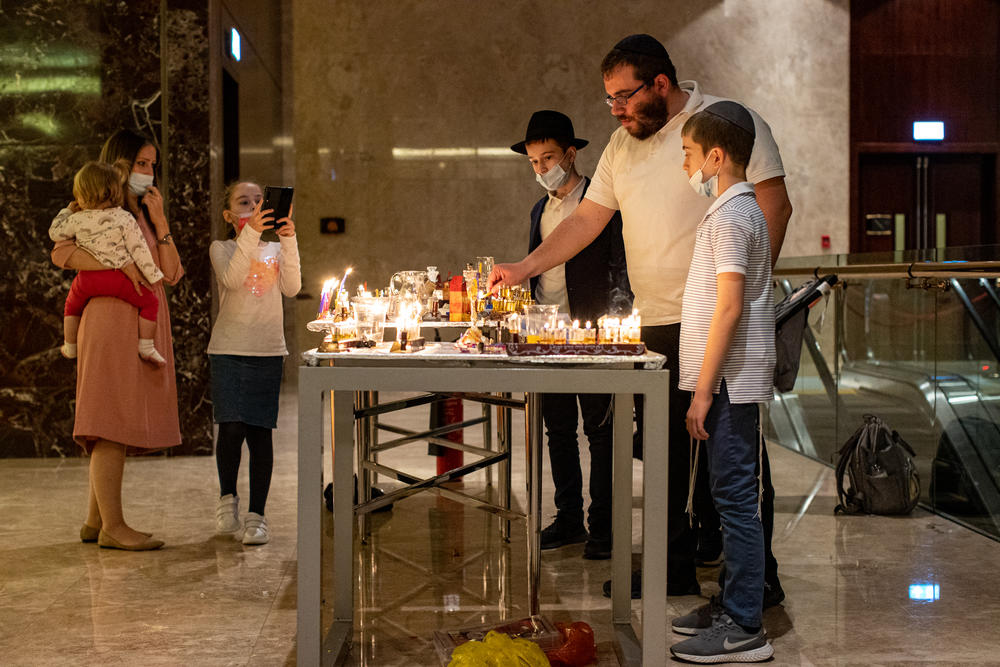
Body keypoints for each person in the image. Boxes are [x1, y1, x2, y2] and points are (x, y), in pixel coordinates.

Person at [488, 34, 791, 598]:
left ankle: (757, 578)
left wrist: (748, 300)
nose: (616, 110)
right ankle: (670, 566)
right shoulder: (620, 145)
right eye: (608, 100)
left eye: (624, 97)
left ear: (660, 83)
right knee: (666, 451)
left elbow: (773, 204)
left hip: (715, 316)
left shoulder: (724, 122)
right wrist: (523, 265)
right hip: (654, 321)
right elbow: (585, 221)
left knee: (734, 451)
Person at [669, 101, 775, 663]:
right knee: (726, 494)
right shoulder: (737, 210)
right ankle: (733, 601)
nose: (686, 166)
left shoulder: (733, 215)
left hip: (730, 381)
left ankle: (745, 626)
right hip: (727, 379)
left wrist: (705, 389)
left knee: (735, 500)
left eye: (688, 154)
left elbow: (729, 307)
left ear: (715, 156)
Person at [51, 128, 184, 551]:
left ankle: (95, 520)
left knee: (116, 417)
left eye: (153, 165)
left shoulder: (141, 214)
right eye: (142, 163)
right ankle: (114, 526)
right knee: (108, 420)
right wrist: (118, 268)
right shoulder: (90, 209)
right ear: (121, 164)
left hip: (139, 318)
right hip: (109, 319)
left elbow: (172, 273)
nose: (149, 172)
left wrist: (160, 221)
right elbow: (61, 253)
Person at [512, 110, 632, 560]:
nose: (542, 169)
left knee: (600, 431)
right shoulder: (539, 209)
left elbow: (619, 266)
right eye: (534, 163)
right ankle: (568, 519)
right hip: (547, 331)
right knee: (556, 430)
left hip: (593, 329)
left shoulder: (601, 204)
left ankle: (603, 529)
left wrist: (614, 324)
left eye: (548, 159)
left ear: (571, 154)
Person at [208, 181, 300, 545]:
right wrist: (251, 234)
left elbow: (292, 287)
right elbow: (231, 279)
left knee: (261, 434)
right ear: (230, 215)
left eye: (259, 201)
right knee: (231, 429)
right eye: (244, 203)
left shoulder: (277, 248)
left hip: (266, 351)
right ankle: (227, 498)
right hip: (229, 349)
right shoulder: (222, 247)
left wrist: (289, 240)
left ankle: (257, 516)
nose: (254, 206)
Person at [50, 160, 166, 366]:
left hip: (86, 280)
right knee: (150, 303)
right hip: (117, 279)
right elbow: (139, 250)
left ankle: (69, 346)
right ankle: (146, 347)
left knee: (71, 305)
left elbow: (54, 232)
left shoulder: (77, 219)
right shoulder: (124, 218)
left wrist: (67, 211)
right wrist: (153, 276)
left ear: (84, 195)